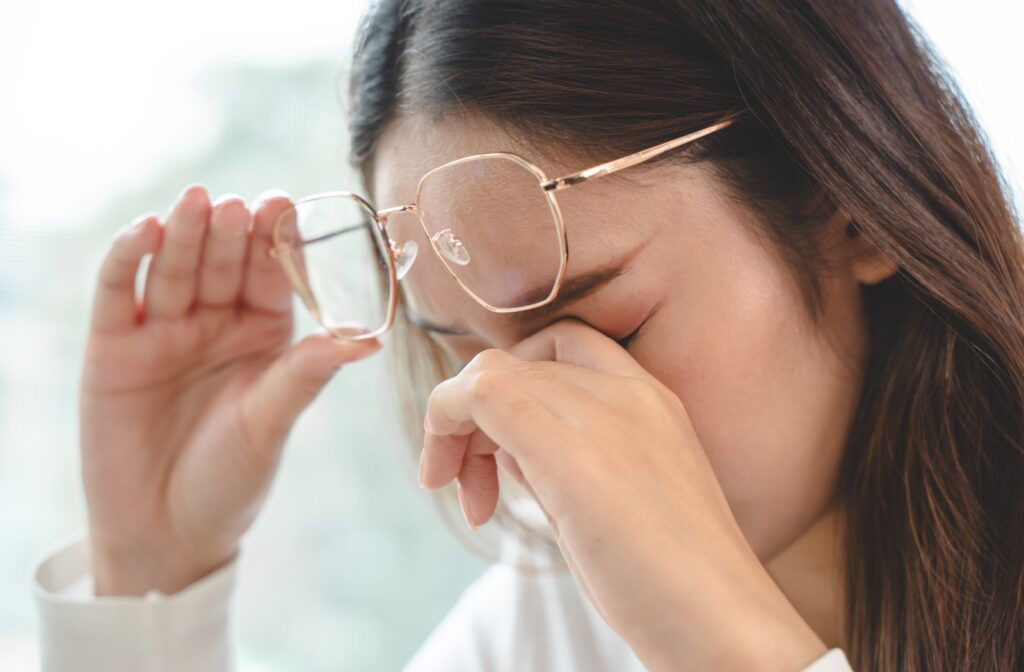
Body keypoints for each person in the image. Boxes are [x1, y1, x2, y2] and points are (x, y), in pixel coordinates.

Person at [30, 0, 1024, 670]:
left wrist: (725, 648)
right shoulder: (550, 626)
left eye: (600, 327)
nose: (532, 428)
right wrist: (151, 575)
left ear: (848, 203)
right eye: (465, 357)